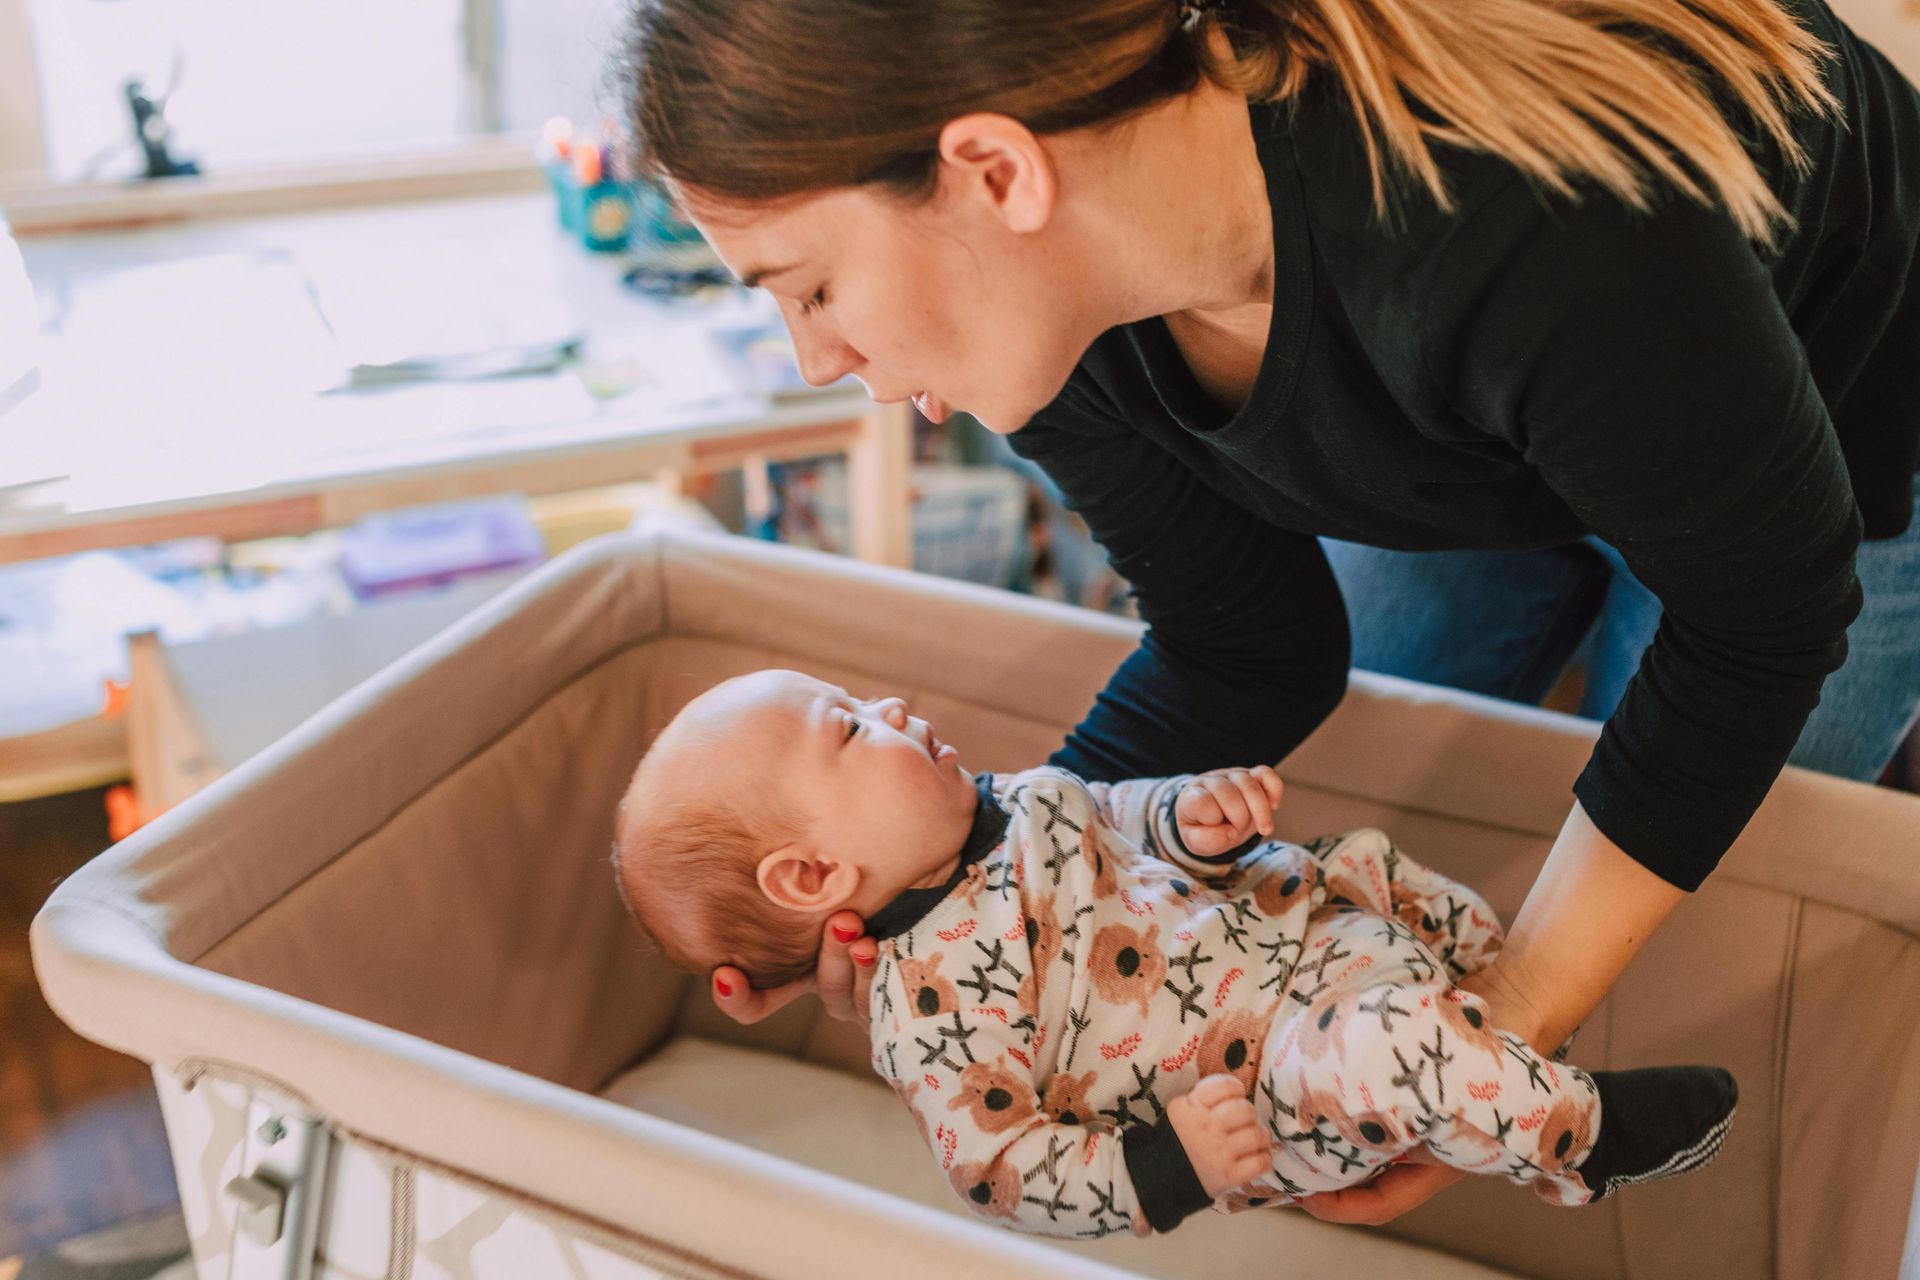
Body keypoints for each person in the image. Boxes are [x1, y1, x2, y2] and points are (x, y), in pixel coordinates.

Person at [617, 0, 1920, 1222]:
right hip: (1508, 401)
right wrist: (994, 893)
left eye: (812, 288)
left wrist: (1513, 1015)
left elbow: (1764, 617)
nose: (817, 360)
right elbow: (1250, 643)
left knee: (1709, 925)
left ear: (997, 174)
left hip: (1838, 401)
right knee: (1393, 805)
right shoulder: (1052, 313)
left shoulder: (1502, 220)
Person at [610, 669, 1739, 1237]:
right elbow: (1001, 1168)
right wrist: (1171, 1164)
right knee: (1392, 1049)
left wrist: (1187, 819)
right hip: (1273, 1081)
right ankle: (1579, 1137)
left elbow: (1113, 810)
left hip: (1307, 929)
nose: (893, 706)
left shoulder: (1009, 801)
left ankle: (1504, 1064)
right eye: (852, 728)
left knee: (1382, 868)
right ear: (811, 877)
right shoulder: (927, 1009)